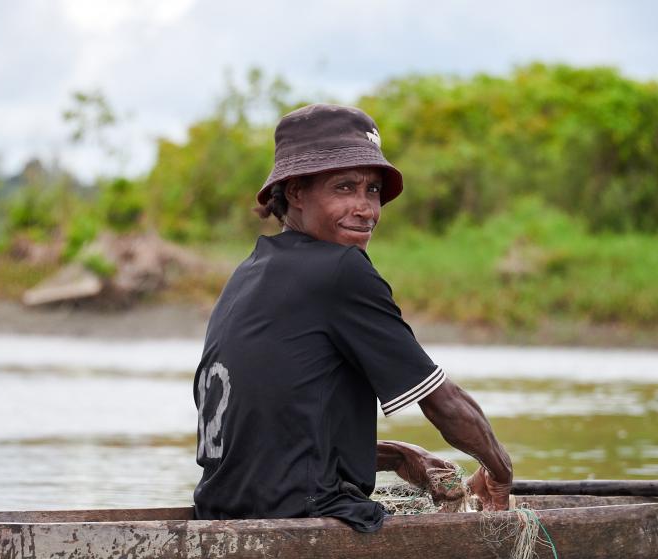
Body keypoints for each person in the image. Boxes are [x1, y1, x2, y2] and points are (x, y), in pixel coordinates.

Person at [193, 103, 513, 532]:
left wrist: (400, 456)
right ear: (296, 193)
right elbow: (441, 400)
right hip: (301, 516)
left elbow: (278, 434)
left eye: (373, 191)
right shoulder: (341, 269)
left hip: (220, 510)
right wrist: (499, 471)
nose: (366, 209)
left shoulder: (249, 272)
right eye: (344, 188)